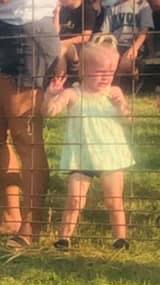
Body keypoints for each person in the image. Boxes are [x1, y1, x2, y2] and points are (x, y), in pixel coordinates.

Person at [0, 0, 60, 249]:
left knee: (25, 136)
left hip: (27, 31)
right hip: (3, 31)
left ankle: (32, 223)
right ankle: (12, 214)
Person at [42, 37, 133, 249]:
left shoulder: (114, 93)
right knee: (75, 199)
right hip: (82, 157)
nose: (106, 77)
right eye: (100, 72)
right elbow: (50, 112)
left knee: (114, 199)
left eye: (110, 72)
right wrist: (50, 96)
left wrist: (122, 108)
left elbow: (128, 121)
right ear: (83, 70)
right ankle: (64, 238)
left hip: (111, 156)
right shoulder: (73, 94)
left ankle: (120, 238)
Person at [98, 0, 152, 78]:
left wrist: (134, 48)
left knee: (126, 63)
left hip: (134, 46)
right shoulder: (113, 7)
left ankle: (131, 79)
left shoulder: (143, 5)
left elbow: (144, 31)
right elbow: (105, 33)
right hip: (115, 45)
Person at [57, 0, 103, 75]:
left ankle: (59, 80)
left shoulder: (87, 10)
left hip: (80, 45)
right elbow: (55, 32)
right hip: (63, 43)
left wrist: (63, 43)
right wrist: (57, 12)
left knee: (60, 49)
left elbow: (85, 37)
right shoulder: (63, 9)